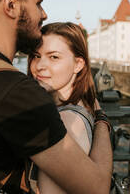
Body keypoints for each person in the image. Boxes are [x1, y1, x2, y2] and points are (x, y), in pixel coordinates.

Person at [0, 0, 112, 194]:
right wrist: (101, 121)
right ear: (11, 5)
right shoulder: (21, 96)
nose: (44, 14)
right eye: (38, 3)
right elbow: (97, 187)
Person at [28, 22, 98, 193]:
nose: (39, 66)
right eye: (36, 56)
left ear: (78, 64)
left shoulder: (67, 121)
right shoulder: (81, 105)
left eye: (54, 57)